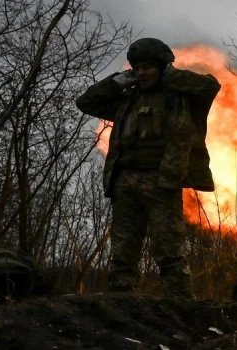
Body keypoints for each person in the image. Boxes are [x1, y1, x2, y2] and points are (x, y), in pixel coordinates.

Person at [76, 38, 220, 299]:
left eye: (148, 67)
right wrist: (118, 81)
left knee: (169, 249)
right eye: (137, 68)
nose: (141, 73)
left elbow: (209, 86)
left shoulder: (179, 98)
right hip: (125, 182)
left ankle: (182, 305)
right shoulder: (127, 100)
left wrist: (170, 75)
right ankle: (123, 301)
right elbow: (85, 102)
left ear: (161, 67)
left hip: (162, 182)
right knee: (123, 250)